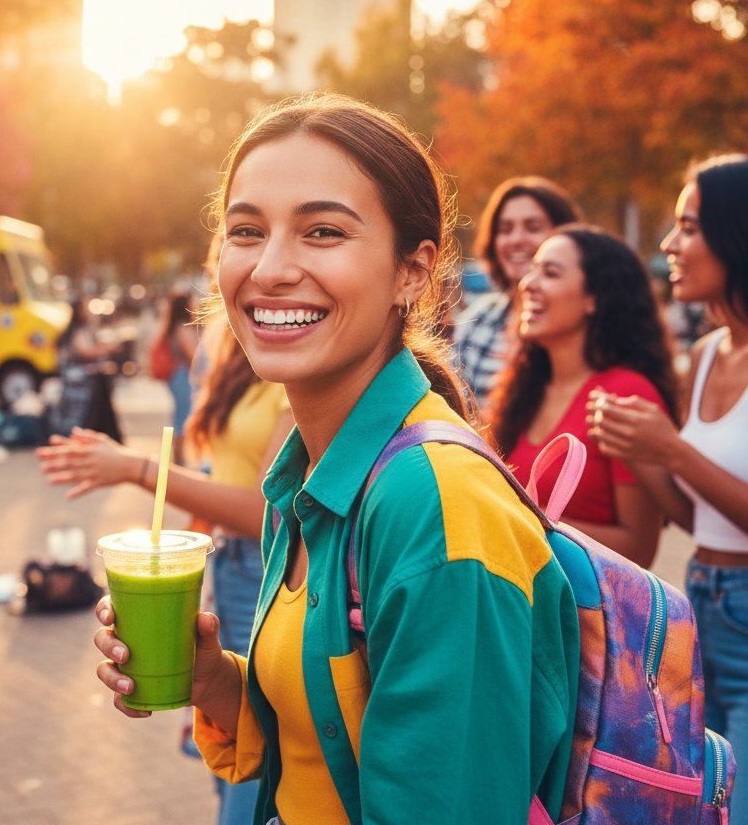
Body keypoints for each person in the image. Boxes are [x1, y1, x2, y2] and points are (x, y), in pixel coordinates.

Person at [90, 95, 579, 824]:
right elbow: (321, 742)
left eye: (322, 232)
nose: (271, 268)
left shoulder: (436, 508)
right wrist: (214, 681)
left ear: (413, 272)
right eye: (246, 231)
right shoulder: (311, 476)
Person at [39, 316, 294, 825]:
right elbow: (224, 472)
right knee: (228, 747)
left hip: (263, 570)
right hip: (226, 567)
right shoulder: (241, 361)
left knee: (259, 769)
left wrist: (138, 469)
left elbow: (265, 511)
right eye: (241, 237)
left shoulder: (293, 372)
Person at [589, 153, 748, 825]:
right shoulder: (710, 351)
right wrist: (637, 451)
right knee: (696, 799)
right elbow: (698, 518)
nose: (669, 245)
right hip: (706, 605)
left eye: (688, 226)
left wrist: (670, 447)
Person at [487, 225, 679, 567]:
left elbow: (639, 547)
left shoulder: (625, 394)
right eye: (532, 270)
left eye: (550, 273)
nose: (528, 284)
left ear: (595, 298)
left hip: (587, 614)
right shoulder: (523, 392)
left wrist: (523, 517)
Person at [453, 177, 582, 412]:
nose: (516, 240)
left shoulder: (577, 327)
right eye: (505, 229)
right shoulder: (475, 323)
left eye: (533, 228)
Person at [53, 298, 124, 442]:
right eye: (85, 308)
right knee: (81, 417)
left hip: (83, 381)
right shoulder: (76, 331)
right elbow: (84, 352)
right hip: (79, 382)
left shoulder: (82, 330)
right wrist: (105, 349)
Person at [153, 291, 200, 465]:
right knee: (183, 416)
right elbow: (193, 354)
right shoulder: (183, 327)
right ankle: (178, 460)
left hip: (177, 375)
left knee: (181, 415)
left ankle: (177, 459)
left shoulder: (174, 326)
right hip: (182, 375)